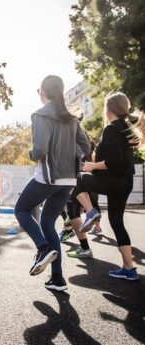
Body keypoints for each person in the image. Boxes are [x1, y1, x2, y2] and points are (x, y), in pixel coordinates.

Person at [14, 75, 90, 292]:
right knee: (48, 223)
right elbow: (85, 147)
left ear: (44, 92)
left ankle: (43, 247)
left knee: (21, 210)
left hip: (48, 177)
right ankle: (57, 279)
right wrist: (72, 160)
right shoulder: (72, 118)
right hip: (69, 180)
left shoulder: (40, 115)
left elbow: (39, 151)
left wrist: (30, 153)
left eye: (39, 90)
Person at [73, 92, 145, 280]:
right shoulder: (127, 128)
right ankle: (129, 269)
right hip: (125, 182)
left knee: (75, 179)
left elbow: (113, 161)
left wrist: (91, 166)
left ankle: (90, 212)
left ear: (109, 109)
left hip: (113, 181)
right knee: (117, 222)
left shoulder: (112, 129)